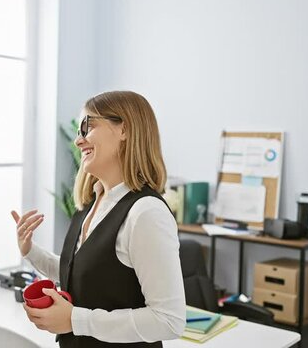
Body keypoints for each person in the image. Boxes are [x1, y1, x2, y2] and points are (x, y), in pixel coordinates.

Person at [11, 91, 186, 347]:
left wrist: (75, 320)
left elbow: (168, 320)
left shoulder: (146, 213)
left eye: (88, 127)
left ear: (124, 129)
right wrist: (29, 251)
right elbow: (80, 273)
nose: (78, 141)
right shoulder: (92, 203)